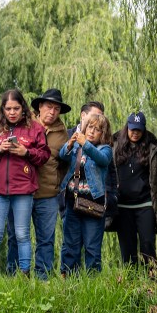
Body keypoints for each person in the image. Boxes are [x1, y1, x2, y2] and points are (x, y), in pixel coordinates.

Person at [0, 90, 50, 275]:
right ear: (3, 109)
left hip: (23, 190)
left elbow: (44, 156)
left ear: (23, 109)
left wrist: (26, 152)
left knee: (22, 234)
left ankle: (25, 274)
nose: (12, 112)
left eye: (16, 108)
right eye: (8, 108)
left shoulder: (35, 129)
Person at [5, 89, 70, 278]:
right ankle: (14, 276)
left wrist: (55, 181)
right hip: (20, 192)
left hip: (47, 195)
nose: (52, 112)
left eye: (57, 109)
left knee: (46, 239)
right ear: (40, 107)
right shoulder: (24, 125)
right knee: (16, 236)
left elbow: (64, 163)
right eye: (49, 107)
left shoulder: (62, 134)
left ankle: (43, 278)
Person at [113, 112, 157, 267]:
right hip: (122, 206)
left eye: (138, 130)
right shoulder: (115, 145)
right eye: (132, 129)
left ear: (143, 129)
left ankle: (152, 282)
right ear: (127, 128)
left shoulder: (153, 148)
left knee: (148, 245)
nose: (135, 133)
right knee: (127, 250)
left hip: (145, 204)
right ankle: (130, 284)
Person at [58, 111, 114, 274]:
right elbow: (62, 155)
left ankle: (92, 283)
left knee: (92, 247)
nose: (91, 131)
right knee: (71, 245)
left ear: (103, 134)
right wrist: (70, 144)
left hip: (93, 204)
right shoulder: (77, 145)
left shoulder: (105, 149)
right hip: (72, 201)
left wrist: (85, 144)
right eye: (89, 127)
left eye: (97, 129)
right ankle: (68, 281)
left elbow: (101, 159)